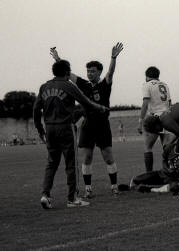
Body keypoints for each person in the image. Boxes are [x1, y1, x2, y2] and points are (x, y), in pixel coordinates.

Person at [50, 43, 123, 199]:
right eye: (88, 71)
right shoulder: (83, 84)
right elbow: (67, 73)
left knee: (108, 157)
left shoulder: (105, 84)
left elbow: (111, 72)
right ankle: (88, 189)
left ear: (99, 72)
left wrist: (113, 57)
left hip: (102, 125)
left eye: (93, 71)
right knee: (87, 157)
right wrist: (57, 59)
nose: (89, 73)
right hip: (88, 125)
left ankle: (114, 186)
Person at [33, 60, 108, 209]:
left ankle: (45, 195)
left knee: (51, 163)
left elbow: (36, 110)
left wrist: (40, 130)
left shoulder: (44, 87)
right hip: (65, 128)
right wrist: (101, 108)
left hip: (49, 128)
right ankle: (72, 198)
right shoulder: (68, 86)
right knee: (71, 164)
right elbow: (85, 102)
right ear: (67, 71)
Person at [137, 66, 173, 172]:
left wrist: (140, 121)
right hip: (167, 117)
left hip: (155, 118)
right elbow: (170, 103)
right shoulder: (165, 85)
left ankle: (149, 174)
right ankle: (170, 171)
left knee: (147, 147)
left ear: (147, 76)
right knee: (167, 147)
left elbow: (145, 103)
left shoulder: (147, 85)